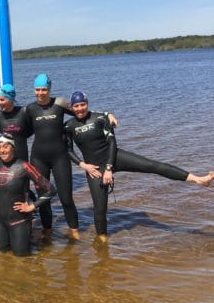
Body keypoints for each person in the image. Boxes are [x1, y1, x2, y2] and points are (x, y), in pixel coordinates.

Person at [64, 91, 213, 243]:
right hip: (94, 169)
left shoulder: (100, 118)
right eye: (76, 106)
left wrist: (108, 168)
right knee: (100, 208)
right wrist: (83, 166)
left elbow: (112, 143)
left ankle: (199, 180)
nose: (80, 108)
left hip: (115, 157)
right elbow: (68, 150)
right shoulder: (69, 126)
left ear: (87, 104)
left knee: (153, 166)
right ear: (72, 107)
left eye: (83, 104)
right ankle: (102, 241)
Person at [25, 74, 82, 239]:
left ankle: (74, 230)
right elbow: (21, 130)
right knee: (44, 198)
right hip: (38, 158)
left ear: (49, 89)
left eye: (44, 89)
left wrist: (106, 115)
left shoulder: (60, 103)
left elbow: (81, 112)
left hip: (60, 157)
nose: (40, 93)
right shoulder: (30, 109)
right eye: (37, 89)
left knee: (66, 197)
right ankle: (47, 230)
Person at [0, 134, 56, 256]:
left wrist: (32, 206)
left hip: (19, 221)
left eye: (5, 146)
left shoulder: (24, 166)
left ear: (13, 147)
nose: (2, 150)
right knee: (1, 255)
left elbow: (51, 190)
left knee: (21, 257)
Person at [0, 84, 33, 161]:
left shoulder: (24, 112)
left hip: (22, 158)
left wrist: (20, 137)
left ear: (11, 99)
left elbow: (31, 130)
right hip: (4, 159)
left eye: (2, 100)